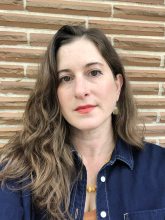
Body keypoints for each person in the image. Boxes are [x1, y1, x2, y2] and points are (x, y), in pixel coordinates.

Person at [0, 25, 165, 220]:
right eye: (66, 78)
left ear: (117, 86)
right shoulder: (20, 172)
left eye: (93, 72)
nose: (80, 90)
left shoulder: (160, 168)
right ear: (54, 94)